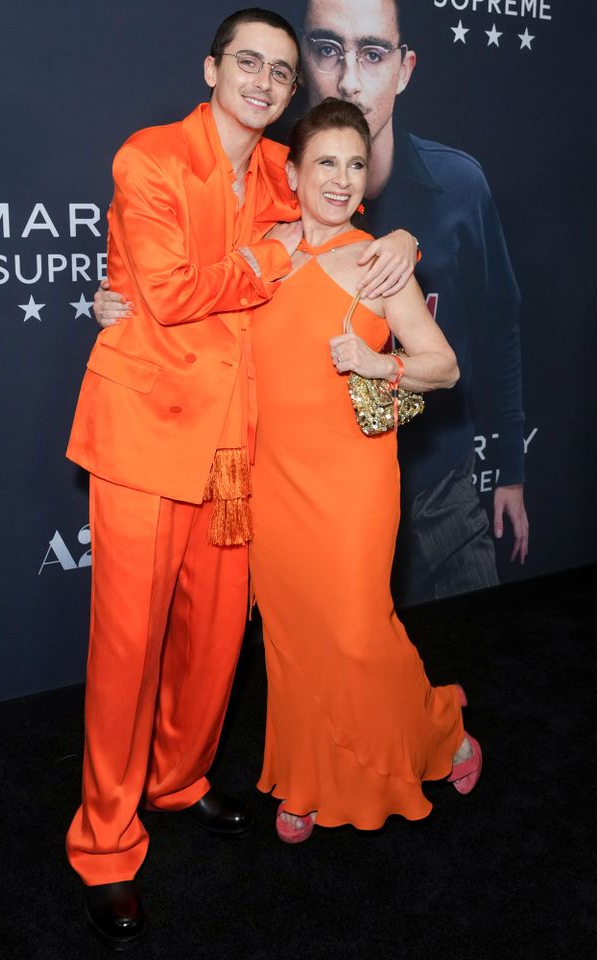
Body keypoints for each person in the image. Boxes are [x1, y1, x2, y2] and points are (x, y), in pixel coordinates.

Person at [67, 7, 417, 950]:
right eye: (248, 63)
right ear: (213, 66)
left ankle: (177, 782)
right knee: (128, 653)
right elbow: (174, 290)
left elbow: (341, 213)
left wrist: (401, 248)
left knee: (217, 642)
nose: (265, 82)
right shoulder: (150, 158)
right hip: (145, 436)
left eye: (281, 72)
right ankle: (104, 846)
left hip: (239, 452)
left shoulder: (276, 166)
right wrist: (263, 258)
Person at [247, 97, 481, 842]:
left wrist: (378, 362)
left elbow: (442, 367)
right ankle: (308, 778)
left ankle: (444, 735)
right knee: (291, 638)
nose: (342, 179)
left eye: (355, 164)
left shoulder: (377, 258)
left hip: (351, 481)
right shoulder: (264, 252)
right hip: (270, 481)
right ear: (292, 171)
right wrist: (119, 302)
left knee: (354, 632)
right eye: (326, 163)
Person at [299, 0, 529, 605]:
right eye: (327, 50)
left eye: (373, 54)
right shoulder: (272, 190)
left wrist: (511, 470)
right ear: (304, 59)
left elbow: (499, 327)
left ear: (404, 69)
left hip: (439, 486)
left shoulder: (459, 186)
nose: (349, 79)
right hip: (322, 495)